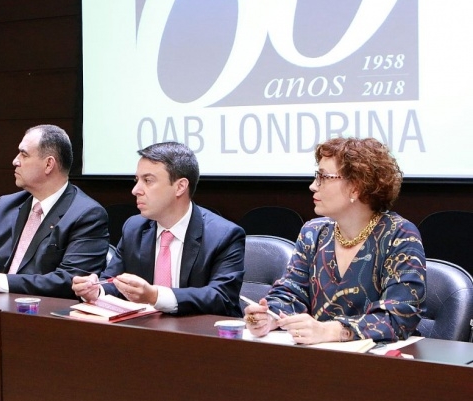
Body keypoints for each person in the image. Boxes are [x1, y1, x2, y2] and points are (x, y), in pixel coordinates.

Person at [244, 137, 426, 343]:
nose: (313, 186)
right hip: (319, 355)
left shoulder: (399, 234)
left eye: (323, 177)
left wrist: (334, 331)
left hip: (379, 358)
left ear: (355, 187)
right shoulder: (313, 232)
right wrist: (268, 316)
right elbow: (291, 292)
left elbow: (401, 314)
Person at [72, 142, 246, 316]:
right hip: (144, 329)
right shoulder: (134, 228)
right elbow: (114, 282)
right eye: (137, 181)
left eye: (148, 181)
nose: (135, 190)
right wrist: (97, 290)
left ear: (180, 187)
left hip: (198, 330)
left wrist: (155, 296)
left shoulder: (223, 235)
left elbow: (222, 297)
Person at [0, 124, 109, 299]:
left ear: (48, 164)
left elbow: (70, 280)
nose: (15, 161)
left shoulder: (87, 214)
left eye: (24, 154)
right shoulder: (5, 205)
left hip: (44, 310)